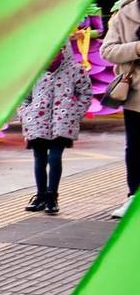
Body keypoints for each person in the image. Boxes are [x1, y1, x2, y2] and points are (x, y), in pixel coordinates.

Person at [18, 42, 93, 215]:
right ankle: (40, 195)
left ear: (63, 50)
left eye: (57, 50)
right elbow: (23, 96)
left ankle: (52, 196)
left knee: (54, 156)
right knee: (39, 158)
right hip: (36, 121)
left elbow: (86, 93)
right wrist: (26, 112)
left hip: (63, 122)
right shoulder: (34, 71)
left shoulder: (75, 70)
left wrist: (75, 112)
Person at [99, 0, 140, 215]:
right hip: (135, 92)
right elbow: (107, 51)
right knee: (135, 147)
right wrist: (136, 48)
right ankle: (132, 196)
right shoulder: (125, 13)